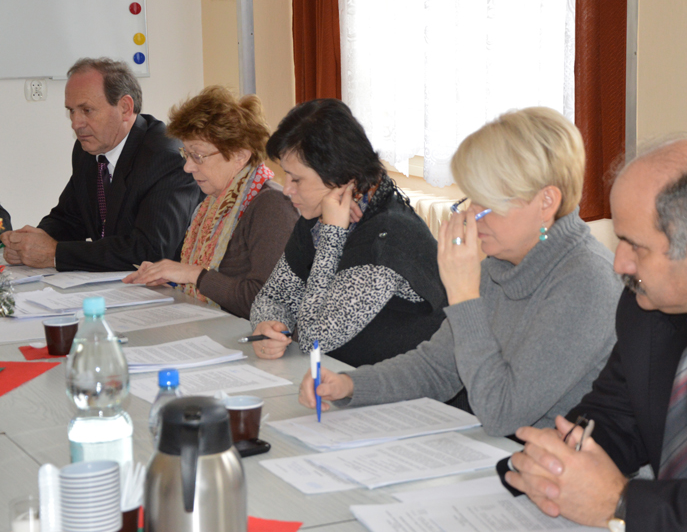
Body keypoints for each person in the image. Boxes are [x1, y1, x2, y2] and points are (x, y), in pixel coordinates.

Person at [502, 135, 687, 532]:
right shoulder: (649, 306)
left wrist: (623, 504)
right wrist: (558, 461)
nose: (619, 264)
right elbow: (615, 417)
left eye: (634, 246)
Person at [297, 107, 621, 437]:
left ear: (546, 202)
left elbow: (502, 414)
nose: (472, 216)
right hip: (502, 451)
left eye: (488, 203)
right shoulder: (502, 265)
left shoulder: (586, 282)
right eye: (471, 199)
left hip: (551, 461)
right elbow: (437, 368)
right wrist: (349, 385)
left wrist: (464, 296)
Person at [249, 98, 447, 367]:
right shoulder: (316, 217)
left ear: (340, 177)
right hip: (346, 379)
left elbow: (313, 339)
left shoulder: (386, 240)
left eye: (297, 179)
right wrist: (269, 325)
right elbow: (275, 295)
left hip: (412, 390)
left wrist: (332, 235)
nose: (287, 189)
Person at [0, 58, 202, 271]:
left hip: (167, 286)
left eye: (87, 110)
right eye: (71, 111)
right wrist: (30, 243)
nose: (75, 123)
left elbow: (150, 250)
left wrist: (55, 254)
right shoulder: (88, 149)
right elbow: (69, 219)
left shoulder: (165, 157)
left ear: (125, 108)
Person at [122, 86, 297, 318]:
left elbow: (270, 304)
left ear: (240, 156)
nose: (188, 167)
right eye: (186, 154)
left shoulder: (272, 206)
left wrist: (193, 275)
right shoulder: (211, 204)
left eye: (198, 156)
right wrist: (169, 277)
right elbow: (212, 280)